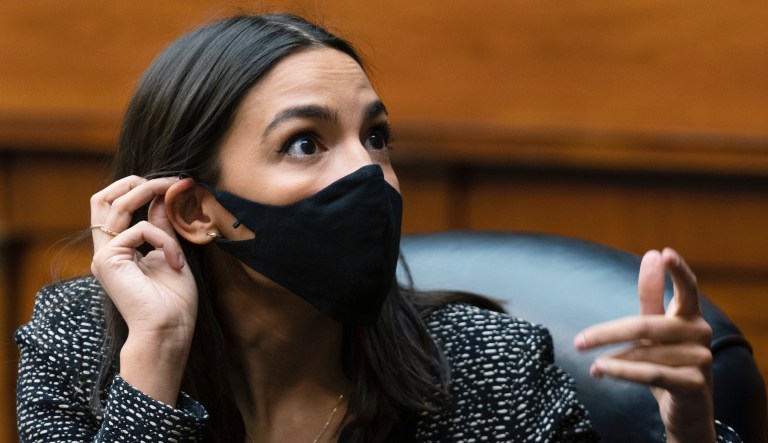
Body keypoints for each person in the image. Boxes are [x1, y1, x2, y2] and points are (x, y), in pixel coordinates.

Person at [15, 13, 742, 443]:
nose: (370, 175)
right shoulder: (78, 346)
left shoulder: (484, 367)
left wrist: (689, 427)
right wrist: (156, 364)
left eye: (377, 137)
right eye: (306, 141)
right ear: (194, 211)